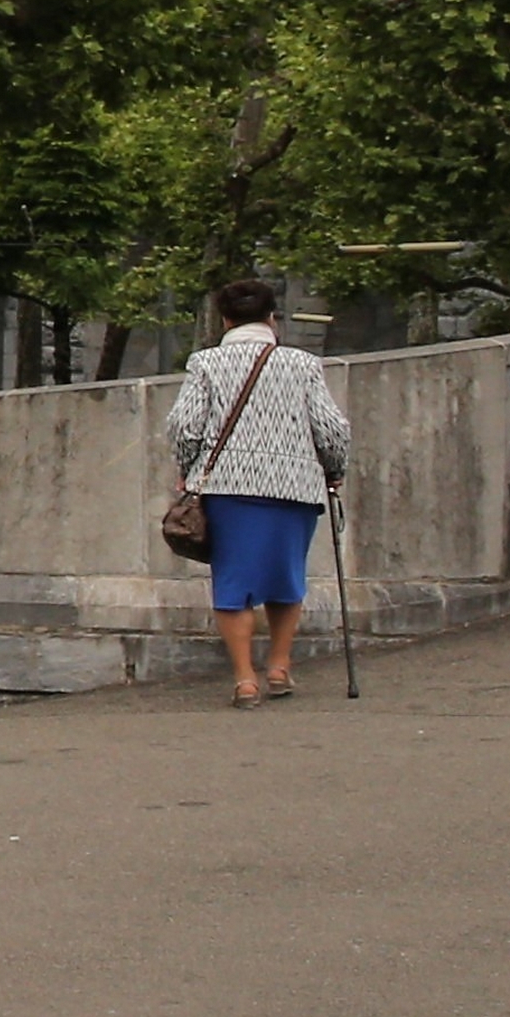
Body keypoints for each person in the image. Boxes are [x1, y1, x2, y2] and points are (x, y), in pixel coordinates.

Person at [168, 279, 354, 705]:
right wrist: (334, 469)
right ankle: (279, 666)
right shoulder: (302, 363)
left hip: (227, 487)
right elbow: (331, 428)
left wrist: (187, 469)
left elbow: (184, 425)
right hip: (295, 487)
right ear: (273, 317)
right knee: (286, 577)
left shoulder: (206, 363)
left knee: (233, 582)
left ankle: (244, 679)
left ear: (225, 319)